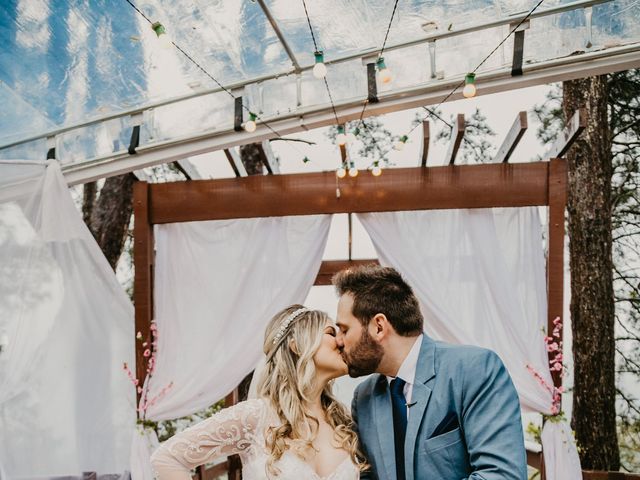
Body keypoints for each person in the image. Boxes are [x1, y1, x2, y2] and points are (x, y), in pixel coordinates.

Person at [333, 264, 527, 480]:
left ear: (379, 326)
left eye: (344, 329)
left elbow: (502, 475)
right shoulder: (364, 397)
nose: (338, 341)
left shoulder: (475, 370)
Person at [151, 305, 367, 480]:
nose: (342, 341)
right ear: (297, 346)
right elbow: (166, 459)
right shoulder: (256, 416)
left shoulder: (343, 421)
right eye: (331, 332)